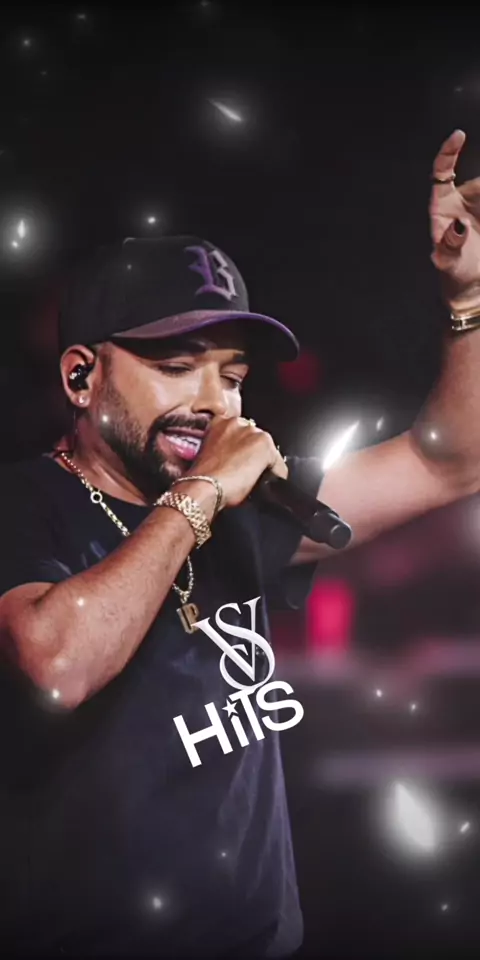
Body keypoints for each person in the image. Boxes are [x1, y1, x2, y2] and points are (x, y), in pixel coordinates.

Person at [0, 129, 479, 958]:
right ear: (81, 377)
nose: (214, 403)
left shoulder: (245, 506)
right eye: (178, 366)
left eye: (231, 376)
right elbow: (57, 665)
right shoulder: (26, 503)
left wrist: (468, 300)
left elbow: (451, 462)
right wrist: (201, 497)